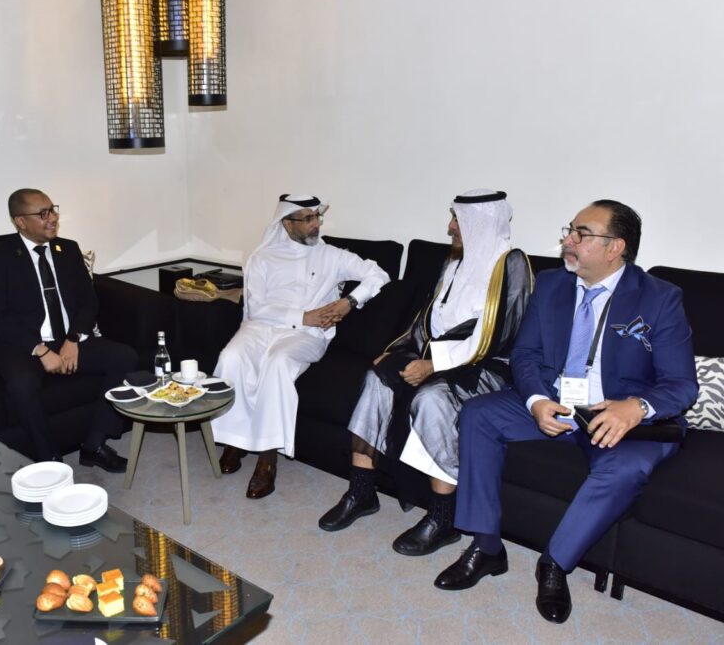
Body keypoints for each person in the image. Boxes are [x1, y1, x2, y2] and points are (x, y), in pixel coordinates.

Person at [434, 200, 698, 624]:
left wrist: (636, 407)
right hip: (556, 400)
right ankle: (486, 546)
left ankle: (555, 563)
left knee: (627, 468)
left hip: (616, 415)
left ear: (616, 248)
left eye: (582, 234)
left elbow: (682, 384)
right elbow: (526, 355)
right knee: (478, 414)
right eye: (569, 230)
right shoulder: (552, 284)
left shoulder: (659, 298)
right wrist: (536, 401)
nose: (568, 240)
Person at [318, 191, 532, 551]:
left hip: (486, 366)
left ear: (479, 223)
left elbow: (499, 334)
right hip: (438, 356)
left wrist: (434, 365)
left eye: (457, 220)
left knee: (433, 398)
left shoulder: (510, 265)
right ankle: (361, 490)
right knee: (377, 379)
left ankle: (443, 518)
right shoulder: (455, 262)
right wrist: (397, 352)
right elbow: (428, 319)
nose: (450, 227)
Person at [211, 194, 390, 499]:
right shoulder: (262, 257)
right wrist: (302, 315)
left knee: (278, 363)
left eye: (316, 217)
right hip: (261, 327)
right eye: (307, 219)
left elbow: (378, 274)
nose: (315, 224)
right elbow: (257, 307)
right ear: (287, 223)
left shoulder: (332, 256)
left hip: (307, 335)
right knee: (231, 357)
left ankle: (267, 458)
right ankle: (234, 441)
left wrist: (349, 302)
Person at [0, 189, 136, 471]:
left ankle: (94, 445)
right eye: (43, 214)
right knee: (22, 384)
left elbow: (88, 301)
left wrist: (73, 339)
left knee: (124, 357)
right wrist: (40, 350)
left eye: (53, 210)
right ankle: (50, 460)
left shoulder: (68, 249)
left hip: (67, 338)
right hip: (23, 345)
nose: (52, 218)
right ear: (20, 221)